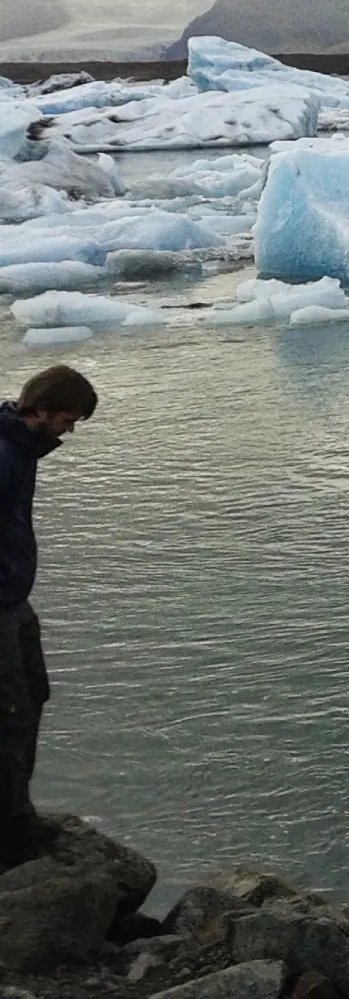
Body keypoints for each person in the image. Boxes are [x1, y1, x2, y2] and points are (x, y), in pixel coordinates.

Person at [0, 364, 96, 864]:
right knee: (10, 715)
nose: (71, 429)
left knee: (32, 695)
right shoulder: (3, 454)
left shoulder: (18, 447)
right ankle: (11, 836)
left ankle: (17, 817)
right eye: (69, 417)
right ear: (42, 408)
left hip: (12, 599)